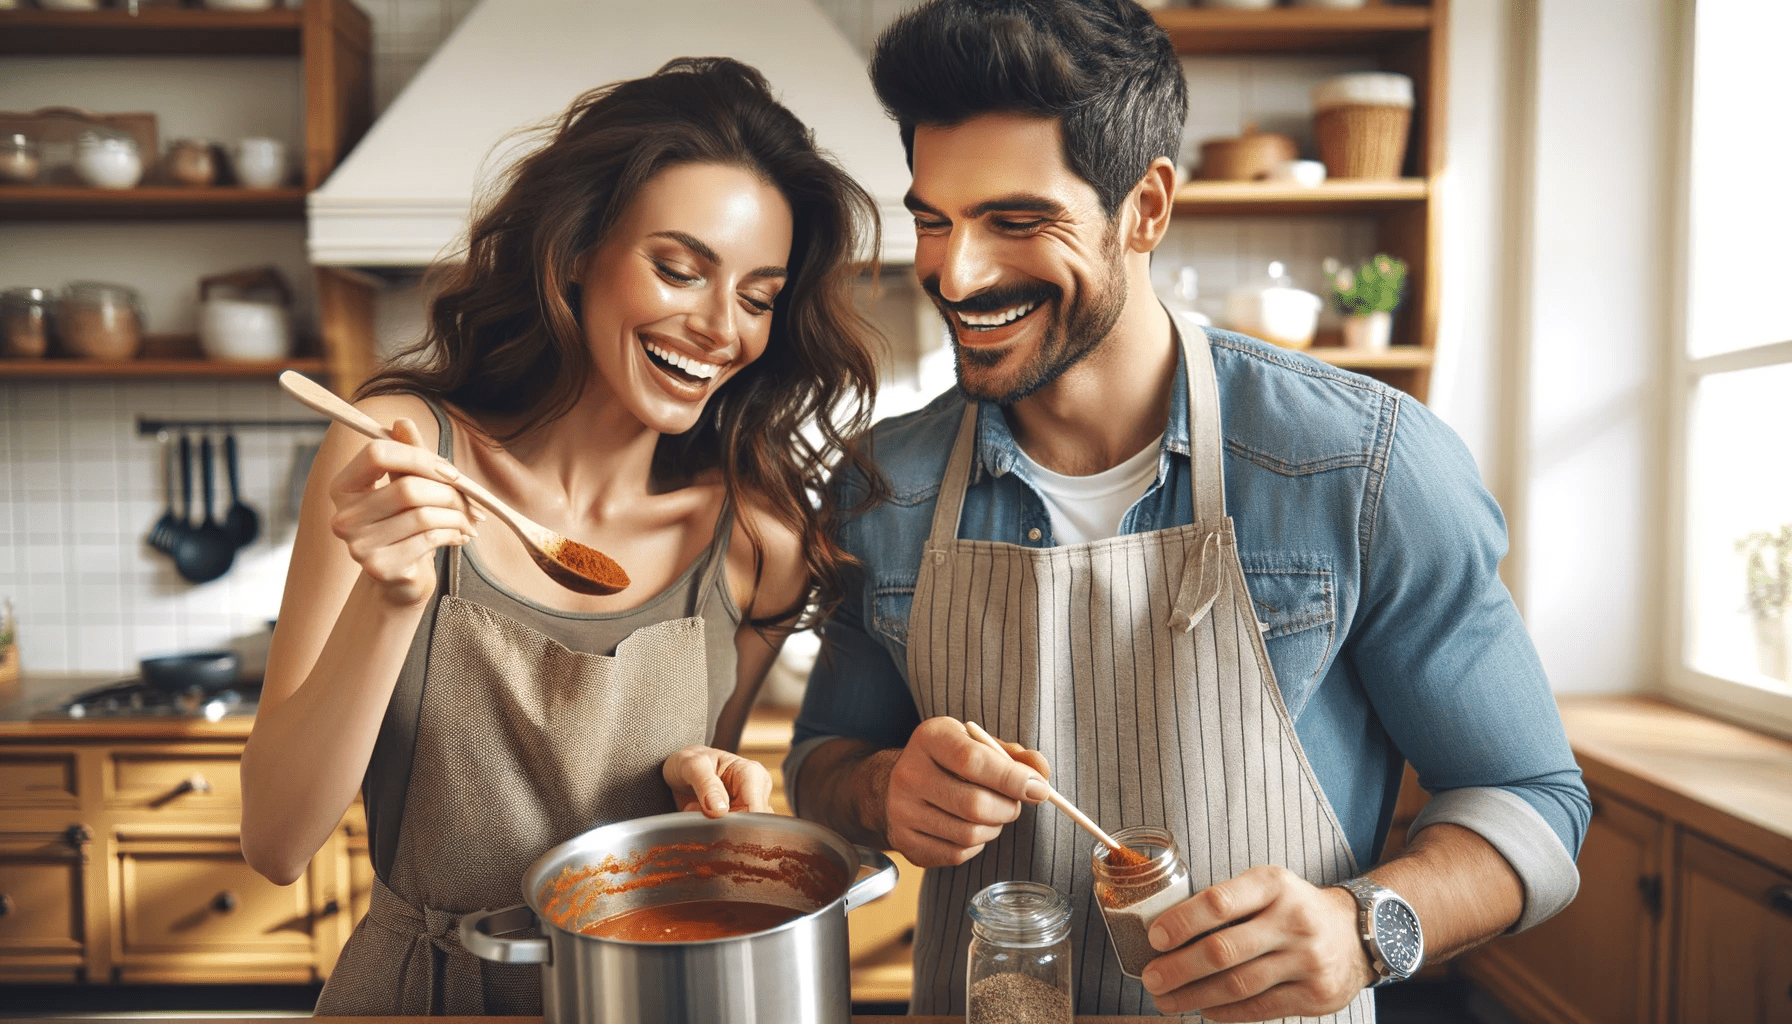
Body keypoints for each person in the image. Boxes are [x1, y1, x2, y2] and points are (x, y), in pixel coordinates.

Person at [786, 2, 1592, 1020]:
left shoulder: (1364, 465)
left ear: (1147, 207)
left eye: (1016, 220)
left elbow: (1531, 800)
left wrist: (1364, 924)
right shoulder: (879, 484)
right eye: (934, 219)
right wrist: (882, 790)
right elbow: (820, 766)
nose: (956, 271)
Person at [239, 57, 884, 1016]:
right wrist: (395, 598)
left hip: (641, 995)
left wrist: (717, 791)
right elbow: (276, 841)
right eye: (679, 267)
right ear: (577, 250)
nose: (718, 328)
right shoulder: (402, 445)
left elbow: (676, 846)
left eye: (757, 297)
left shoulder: (757, 540)